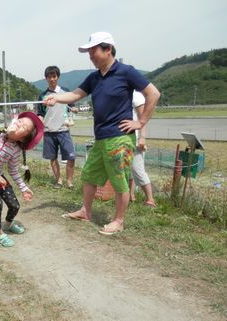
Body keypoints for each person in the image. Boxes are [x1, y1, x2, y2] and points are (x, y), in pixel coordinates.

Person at [45, 31, 160, 235]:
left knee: (118, 179)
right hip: (101, 138)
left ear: (108, 49)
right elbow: (75, 95)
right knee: (89, 174)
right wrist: (56, 98)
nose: (90, 56)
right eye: (89, 52)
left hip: (120, 138)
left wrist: (140, 122)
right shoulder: (94, 77)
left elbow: (153, 93)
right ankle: (85, 211)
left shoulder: (126, 72)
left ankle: (119, 220)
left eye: (93, 51)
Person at [0, 112, 44, 247]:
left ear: (22, 139)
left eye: (24, 127)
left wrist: (24, 188)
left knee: (14, 205)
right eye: (21, 120)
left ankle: (9, 223)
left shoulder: (16, 150)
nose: (20, 123)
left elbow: (13, 170)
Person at [37, 66, 77, 189]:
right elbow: (40, 114)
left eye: (54, 76)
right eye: (49, 77)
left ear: (58, 77)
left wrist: (74, 109)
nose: (52, 79)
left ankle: (69, 182)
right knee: (52, 158)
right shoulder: (43, 96)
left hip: (64, 130)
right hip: (49, 131)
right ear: (46, 78)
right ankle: (58, 180)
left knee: (71, 157)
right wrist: (39, 123)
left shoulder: (65, 91)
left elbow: (72, 106)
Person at [130, 91, 156, 207]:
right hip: (123, 139)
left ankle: (150, 200)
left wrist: (142, 138)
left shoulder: (136, 96)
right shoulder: (120, 92)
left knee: (138, 169)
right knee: (128, 171)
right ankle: (131, 196)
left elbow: (143, 119)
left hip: (135, 139)